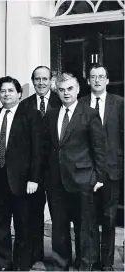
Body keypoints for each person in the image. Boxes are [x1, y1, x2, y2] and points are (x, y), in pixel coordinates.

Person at [44, 72, 105, 271]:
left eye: (70, 89)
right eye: (61, 90)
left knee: (84, 227)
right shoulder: (51, 114)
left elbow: (99, 148)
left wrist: (99, 177)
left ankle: (85, 265)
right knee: (59, 226)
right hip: (56, 181)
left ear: (78, 89)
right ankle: (61, 263)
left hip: (83, 179)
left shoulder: (89, 113)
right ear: (57, 92)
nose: (66, 93)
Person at [0, 76, 43, 271]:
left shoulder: (31, 115)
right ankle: (2, 263)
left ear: (19, 94)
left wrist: (34, 178)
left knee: (23, 226)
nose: (6, 94)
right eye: (2, 91)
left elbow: (38, 150)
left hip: (22, 180)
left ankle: (21, 264)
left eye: (10, 90)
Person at [80, 64, 124, 271]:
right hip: (86, 172)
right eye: (93, 77)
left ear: (107, 80)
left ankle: (106, 263)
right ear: (88, 81)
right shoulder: (80, 104)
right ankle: (89, 260)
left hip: (111, 171)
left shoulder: (120, 104)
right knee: (88, 218)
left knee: (108, 218)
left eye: (101, 77)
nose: (97, 80)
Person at [20, 66, 61, 266]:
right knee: (33, 214)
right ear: (33, 81)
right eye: (37, 79)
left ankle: (59, 259)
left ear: (51, 80)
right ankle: (35, 254)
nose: (41, 83)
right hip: (33, 172)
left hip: (56, 170)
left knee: (58, 217)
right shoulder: (25, 105)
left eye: (45, 79)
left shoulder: (60, 100)